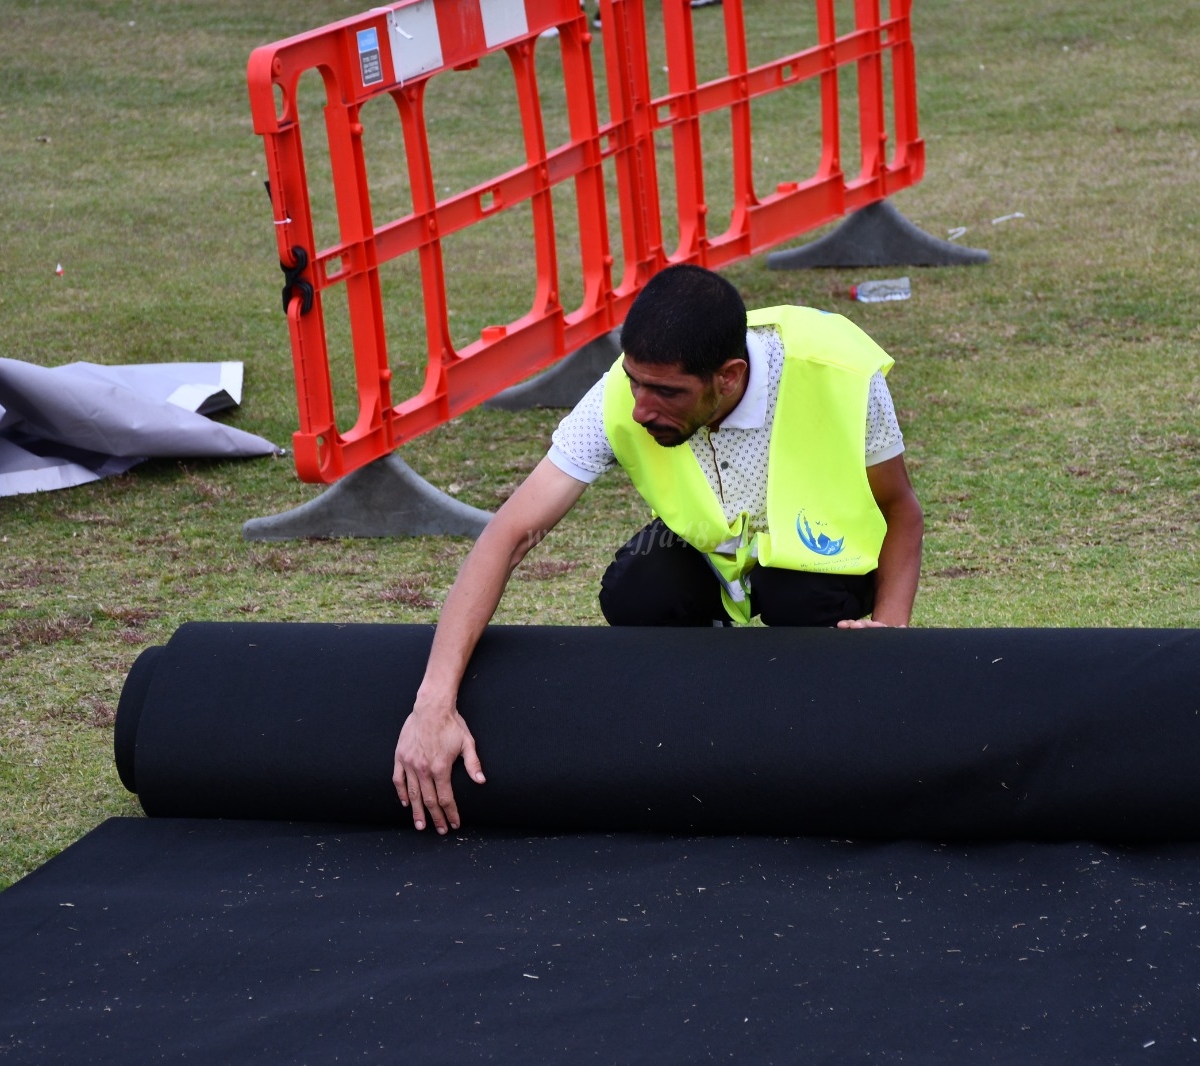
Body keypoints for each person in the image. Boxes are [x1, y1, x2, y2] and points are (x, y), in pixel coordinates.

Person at [392, 265, 924, 833]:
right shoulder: (623, 394)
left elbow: (902, 513)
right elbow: (509, 534)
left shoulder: (839, 374)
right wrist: (433, 703)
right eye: (635, 382)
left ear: (729, 376)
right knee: (638, 587)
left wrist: (888, 643)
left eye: (667, 393)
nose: (642, 408)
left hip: (818, 561)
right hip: (714, 552)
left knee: (800, 597)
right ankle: (707, 711)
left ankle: (800, 723)